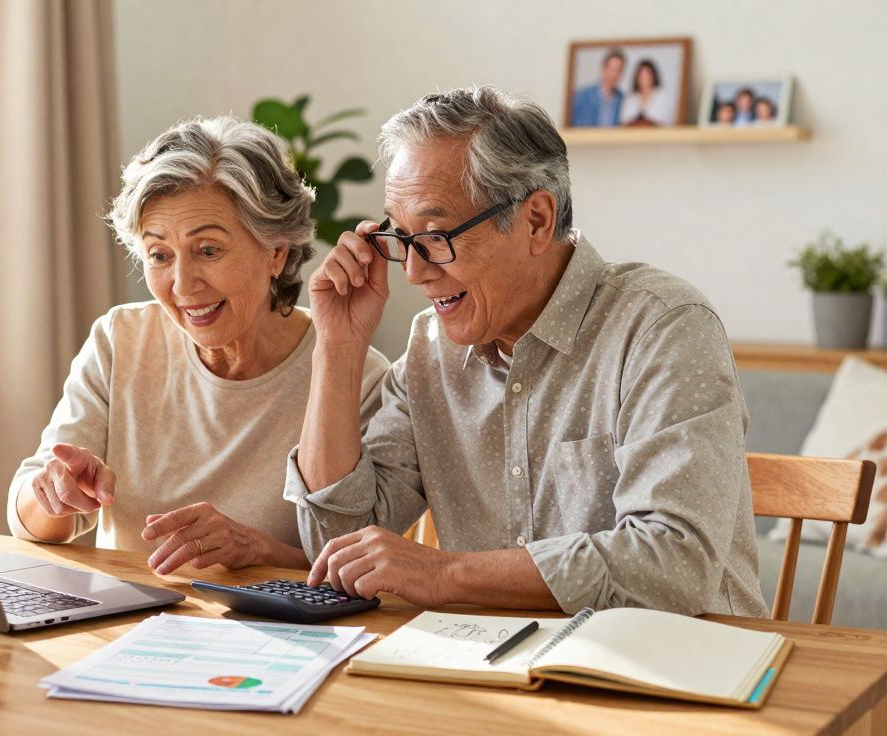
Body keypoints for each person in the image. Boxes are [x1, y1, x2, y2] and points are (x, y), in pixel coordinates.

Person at [287, 87, 766, 617]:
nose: (417, 273)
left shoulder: (662, 327)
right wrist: (338, 345)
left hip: (678, 672)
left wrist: (442, 573)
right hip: (494, 667)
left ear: (536, 219)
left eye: (435, 235)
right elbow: (338, 544)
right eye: (401, 239)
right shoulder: (430, 349)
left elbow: (674, 564)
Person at [8, 116, 389, 575]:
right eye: (159, 255)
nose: (182, 285)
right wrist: (53, 493)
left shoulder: (355, 374)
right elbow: (29, 520)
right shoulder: (121, 340)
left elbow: (362, 566)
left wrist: (257, 550)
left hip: (277, 637)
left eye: (208, 250)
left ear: (276, 252)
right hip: (128, 626)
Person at [569, 49, 625, 127]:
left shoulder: (622, 99)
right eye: (612, 69)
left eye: (618, 70)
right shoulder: (582, 96)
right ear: (603, 69)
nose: (614, 74)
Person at [620, 59, 674, 126]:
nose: (644, 77)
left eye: (647, 74)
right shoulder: (630, 99)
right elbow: (624, 123)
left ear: (654, 76)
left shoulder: (662, 97)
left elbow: (666, 122)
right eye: (641, 74)